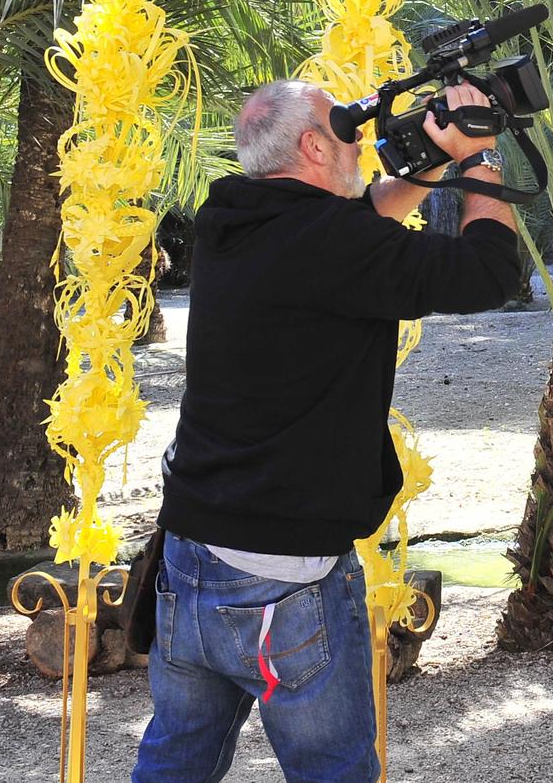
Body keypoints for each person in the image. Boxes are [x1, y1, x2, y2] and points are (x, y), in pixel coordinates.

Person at [133, 78, 522, 783]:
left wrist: (427, 156)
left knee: (174, 764)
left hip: (190, 556)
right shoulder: (334, 244)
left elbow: (355, 217)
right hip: (285, 579)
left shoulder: (229, 216)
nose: (358, 138)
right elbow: (490, 271)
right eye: (344, 128)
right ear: (312, 145)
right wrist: (478, 155)